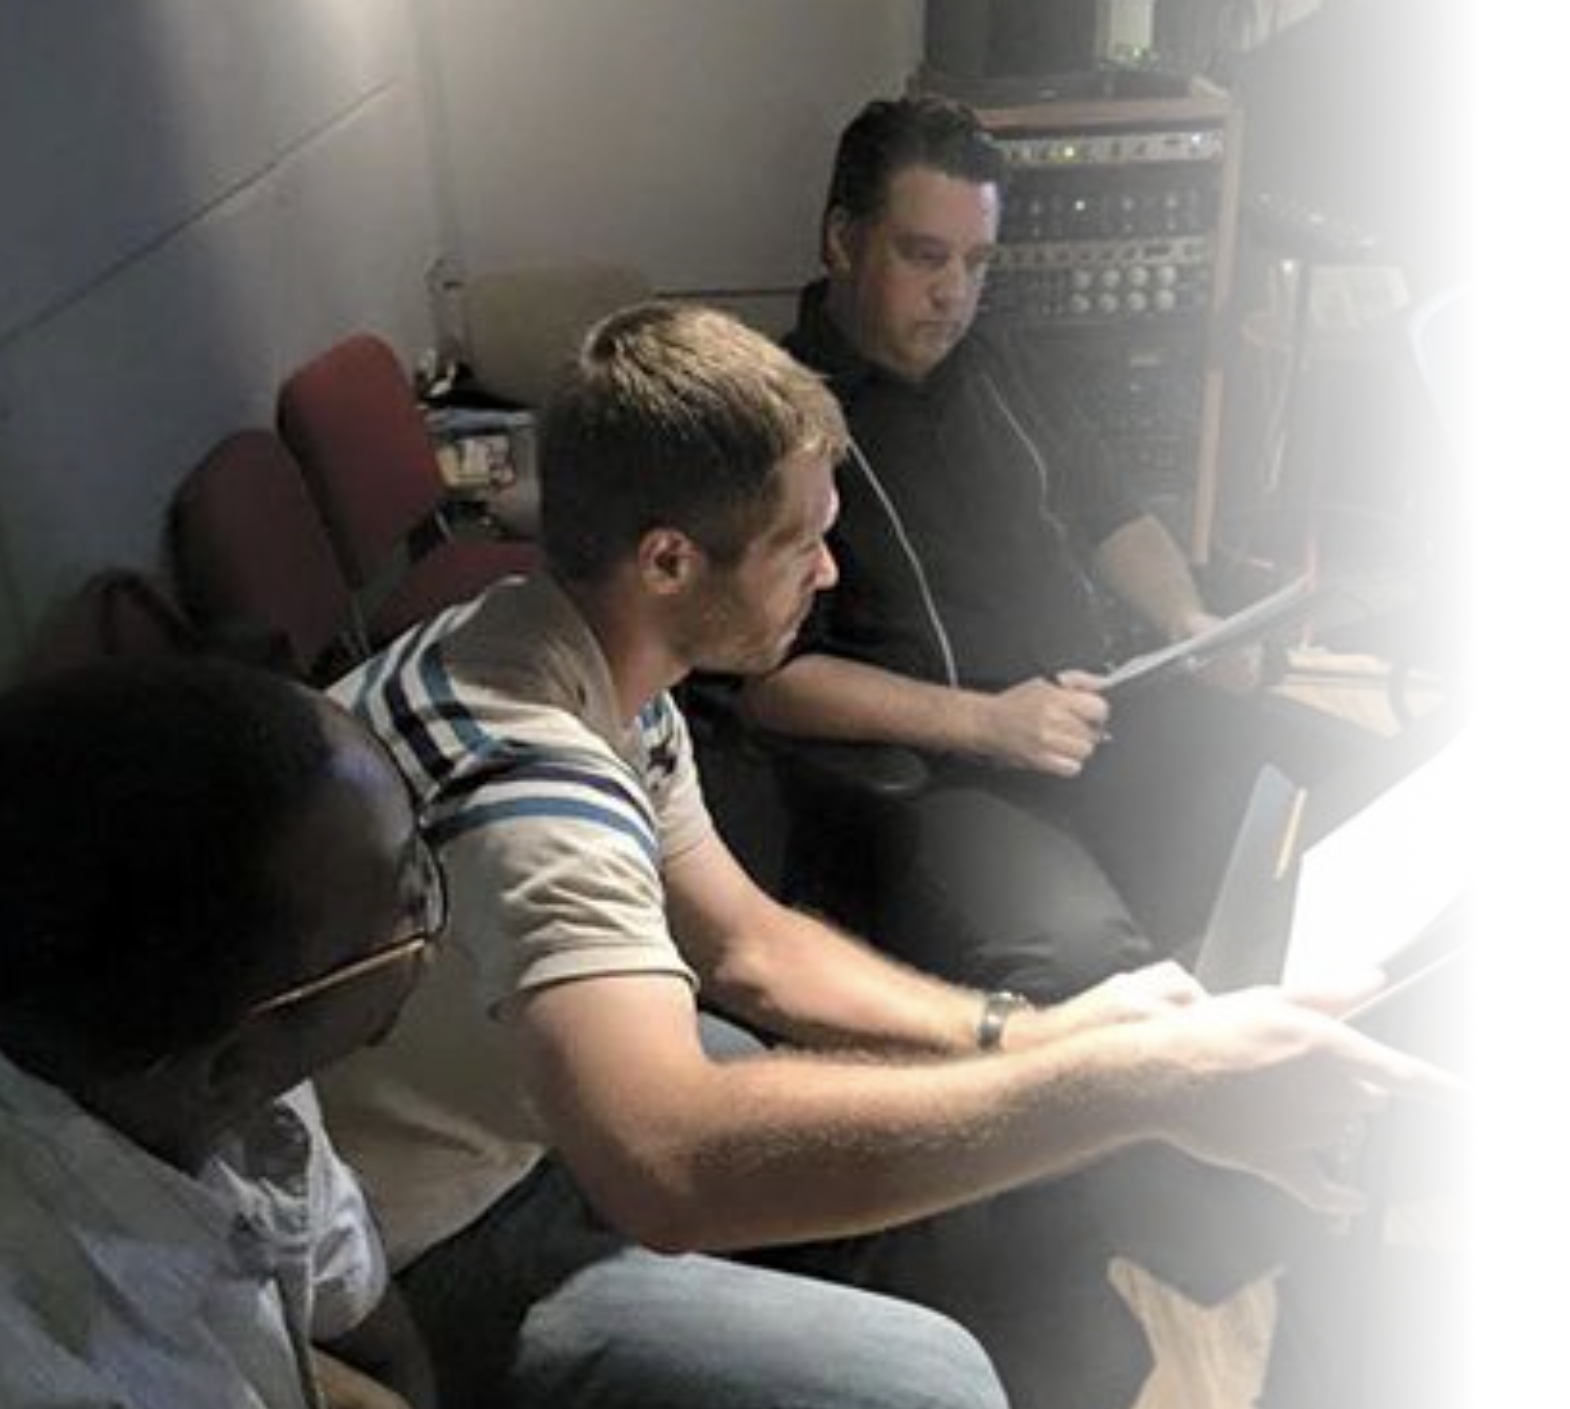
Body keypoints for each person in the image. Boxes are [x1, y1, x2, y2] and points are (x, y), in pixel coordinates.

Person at [315, 300, 1455, 1409]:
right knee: (932, 1382)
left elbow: (751, 947)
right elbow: (668, 1169)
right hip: (417, 1244)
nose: (827, 571)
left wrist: (1037, 1030)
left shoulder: (584, 661)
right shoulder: (535, 789)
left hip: (507, 1117)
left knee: (901, 1129)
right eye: (800, 542)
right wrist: (1142, 1082)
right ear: (668, 562)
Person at [742, 92, 1380, 1003]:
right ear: (843, 241)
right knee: (1088, 969)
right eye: (924, 256)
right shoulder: (772, 419)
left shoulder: (1002, 363)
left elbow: (1112, 513)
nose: (954, 293)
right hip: (945, 769)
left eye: (976, 262)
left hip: (1096, 714)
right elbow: (770, 681)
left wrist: (1187, 620)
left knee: (1346, 812)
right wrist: (985, 722)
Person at [0, 657, 441, 1409]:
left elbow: (377, 1346)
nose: (425, 929)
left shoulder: (243, 1091)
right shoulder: (65, 1368)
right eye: (408, 899)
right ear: (229, 1063)